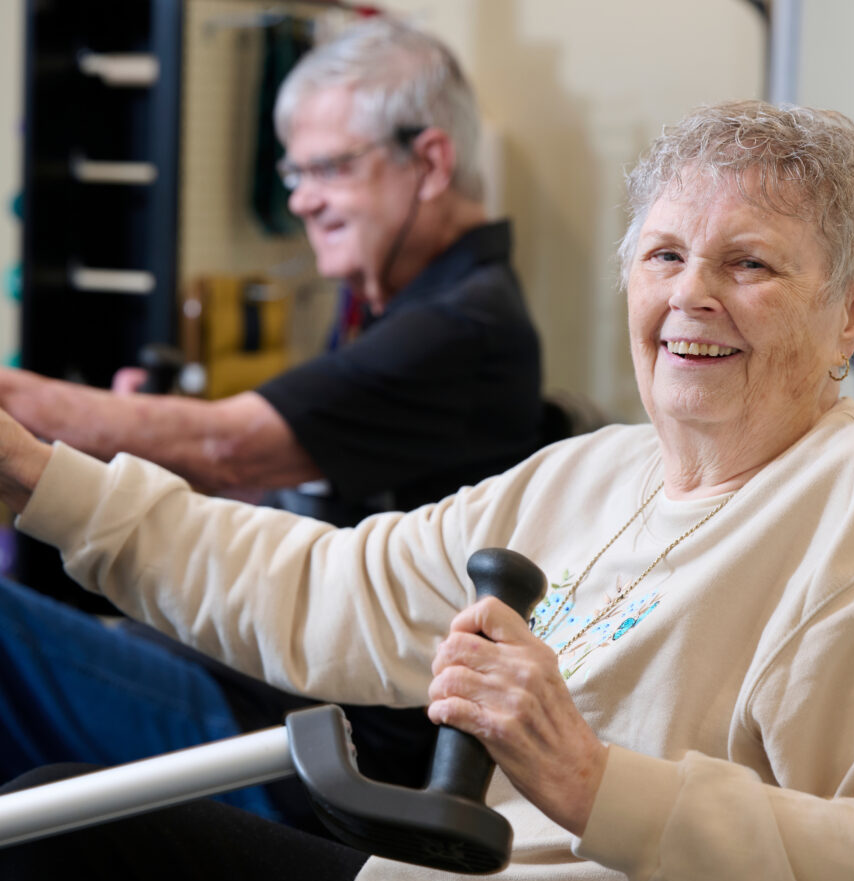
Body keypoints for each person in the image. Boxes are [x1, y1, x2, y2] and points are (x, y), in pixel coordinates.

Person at [2, 98, 854, 881]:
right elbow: (328, 587)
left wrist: (595, 784)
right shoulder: (589, 474)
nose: (690, 295)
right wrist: (43, 481)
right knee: (51, 827)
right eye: (665, 255)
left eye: (748, 265)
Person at [0, 17, 545, 830]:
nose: (299, 197)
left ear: (430, 161)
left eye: (328, 167)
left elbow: (225, 446)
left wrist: (36, 418)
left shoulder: (460, 326)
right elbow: (266, 471)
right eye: (294, 170)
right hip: (267, 684)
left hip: (327, 749)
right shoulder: (389, 304)